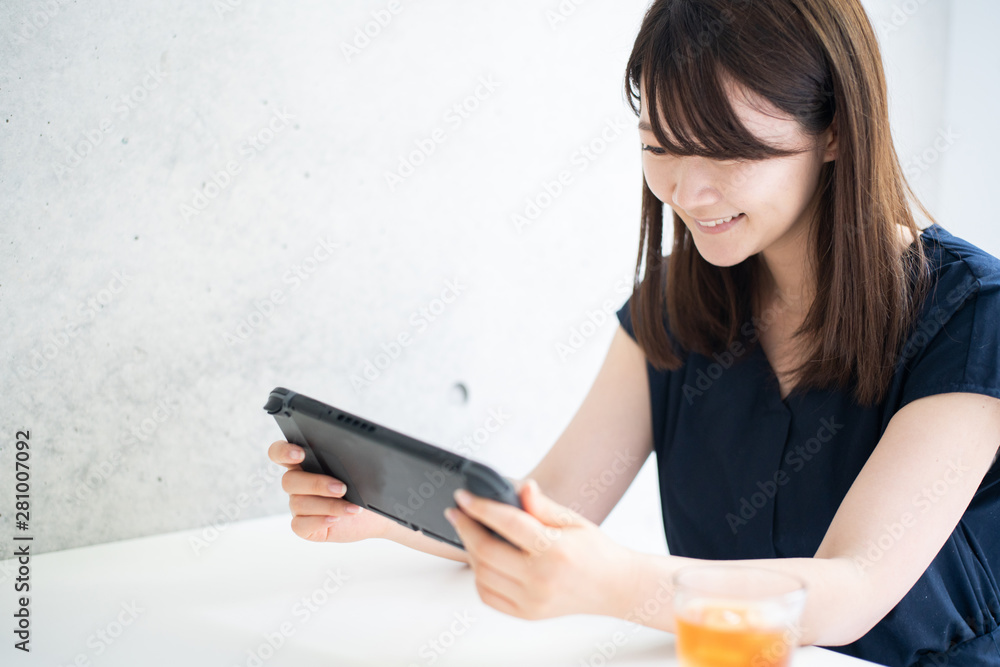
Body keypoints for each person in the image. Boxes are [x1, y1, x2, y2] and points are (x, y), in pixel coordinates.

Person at [269, 1, 1000, 664]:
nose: (688, 191)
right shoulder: (681, 302)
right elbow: (555, 503)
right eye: (660, 146)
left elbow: (855, 587)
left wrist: (612, 582)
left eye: (728, 150)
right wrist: (381, 504)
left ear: (834, 130)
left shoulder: (971, 315)